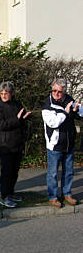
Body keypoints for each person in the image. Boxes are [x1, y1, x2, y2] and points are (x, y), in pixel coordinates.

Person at [42, 78, 81, 208]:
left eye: (59, 91)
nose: (56, 93)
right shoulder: (48, 105)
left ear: (64, 92)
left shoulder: (69, 100)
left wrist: (77, 110)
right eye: (54, 90)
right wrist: (66, 112)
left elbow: (80, 114)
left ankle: (67, 194)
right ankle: (53, 196)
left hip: (69, 143)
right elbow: (53, 122)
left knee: (69, 171)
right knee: (53, 173)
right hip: (55, 144)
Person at [0, 81, 31, 208]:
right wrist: (18, 119)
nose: (3, 95)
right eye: (1, 93)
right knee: (7, 172)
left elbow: (20, 120)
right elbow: (2, 125)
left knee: (15, 171)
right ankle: (4, 197)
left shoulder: (16, 104)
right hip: (6, 145)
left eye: (6, 93)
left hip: (17, 143)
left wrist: (24, 118)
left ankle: (11, 192)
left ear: (12, 93)